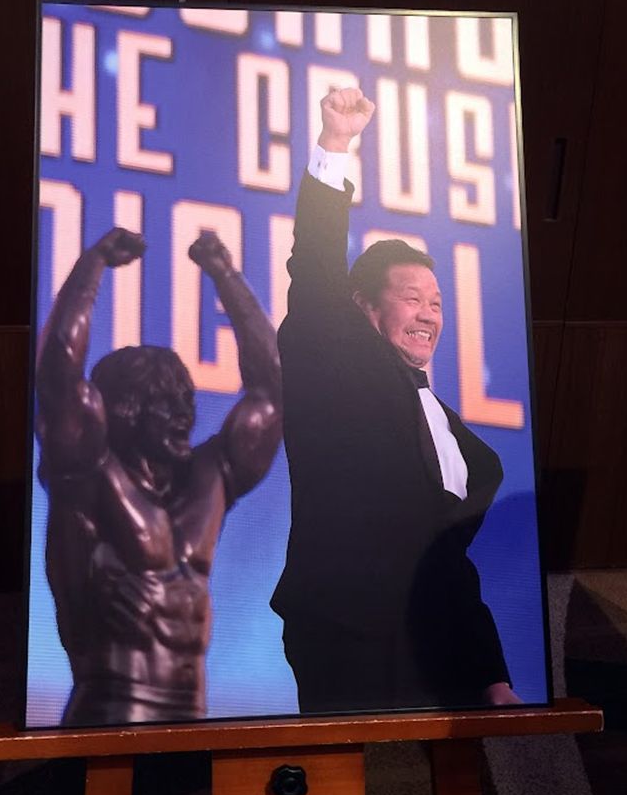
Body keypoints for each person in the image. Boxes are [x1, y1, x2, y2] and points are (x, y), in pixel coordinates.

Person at [271, 88, 520, 713]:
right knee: (343, 769)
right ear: (363, 308)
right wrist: (336, 143)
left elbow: (448, 561)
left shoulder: (457, 438)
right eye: (412, 298)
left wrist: (492, 675)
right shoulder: (333, 364)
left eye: (436, 303)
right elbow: (317, 268)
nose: (429, 314)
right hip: (346, 631)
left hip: (438, 644)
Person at [36, 227, 282, 726]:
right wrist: (93, 265)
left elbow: (274, 392)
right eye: (165, 402)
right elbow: (60, 376)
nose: (185, 415)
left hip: (191, 718)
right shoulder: (89, 478)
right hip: (111, 713)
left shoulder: (209, 480)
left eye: (186, 400)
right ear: (126, 410)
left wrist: (226, 275)